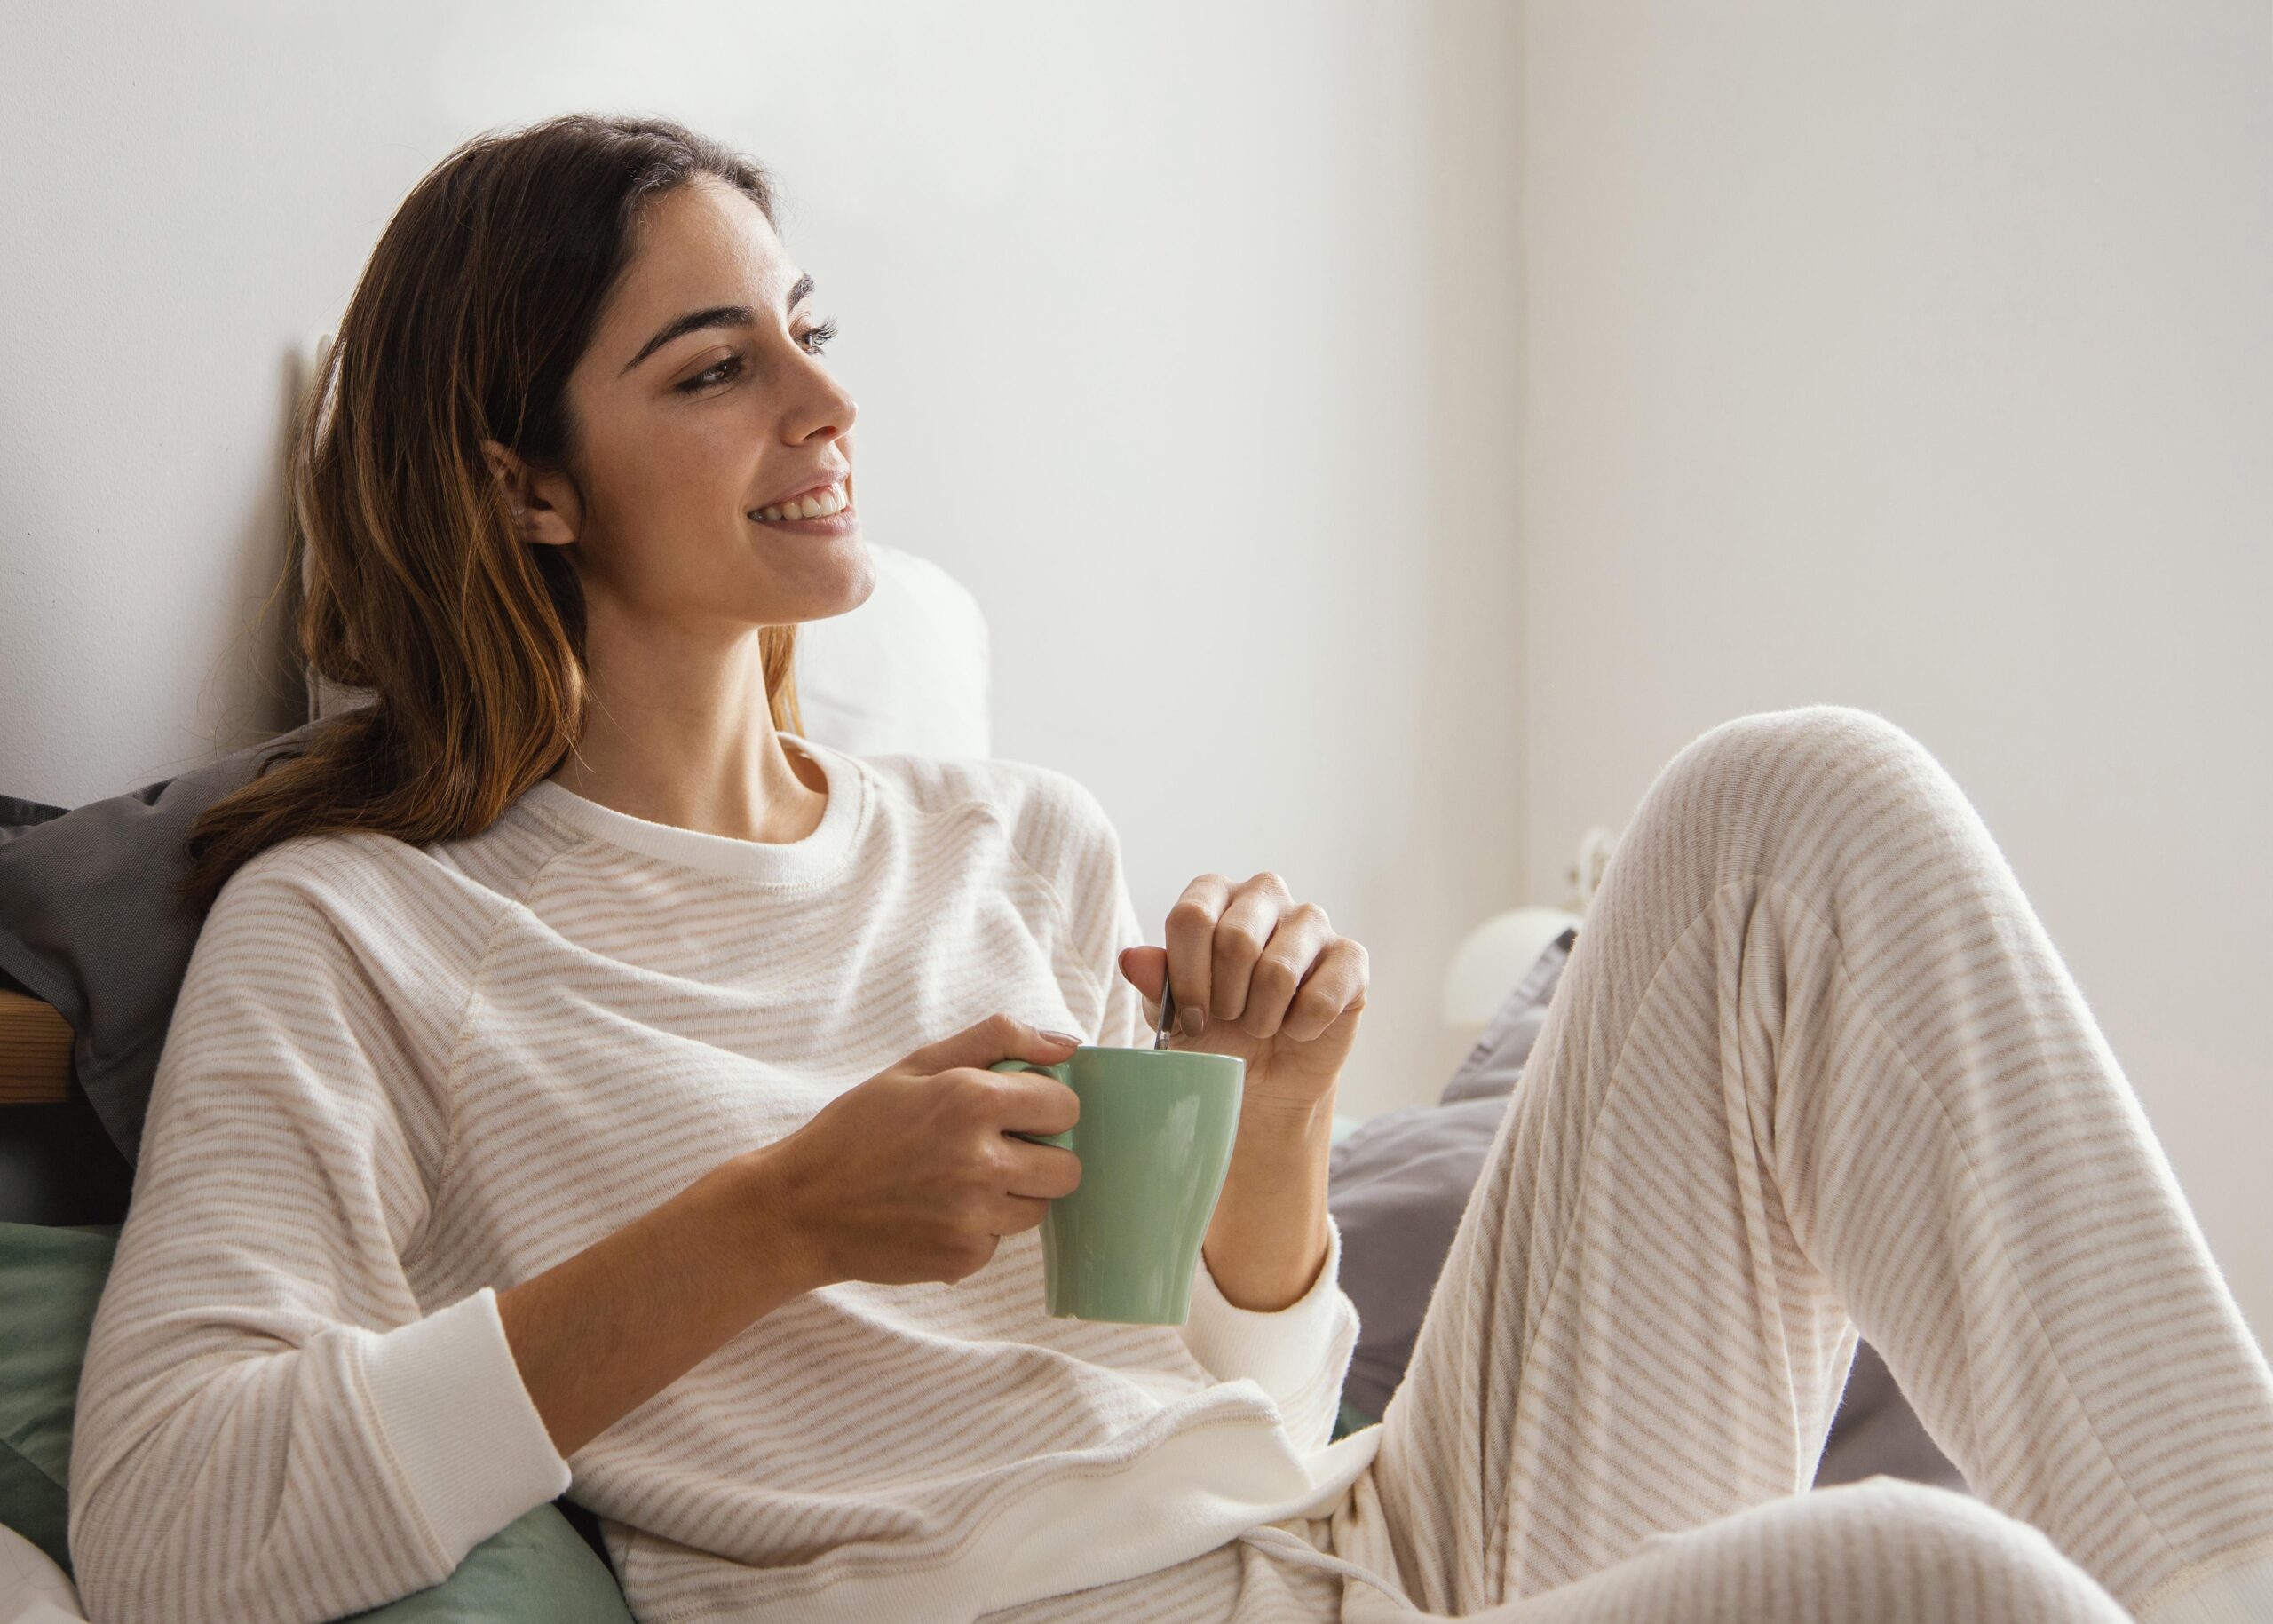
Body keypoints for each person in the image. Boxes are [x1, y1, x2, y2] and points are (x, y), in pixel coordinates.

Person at [66, 114, 2273, 1624]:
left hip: (1342, 1541)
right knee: (1923, 1575)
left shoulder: (1008, 835)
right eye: (714, 368)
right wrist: (773, 1223)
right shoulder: (363, 929)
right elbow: (165, 1521)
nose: (820, 408)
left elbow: (1224, 1407)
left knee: (1790, 803)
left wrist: (1274, 1139)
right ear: (525, 487)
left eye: (809, 330)